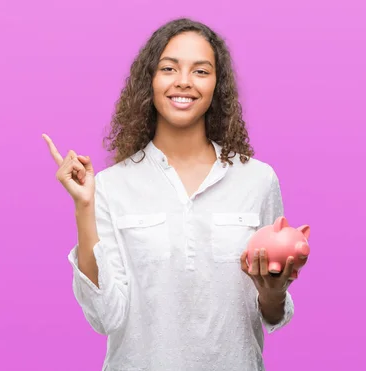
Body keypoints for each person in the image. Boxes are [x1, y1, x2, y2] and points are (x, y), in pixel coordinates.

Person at [42, 18, 308, 371]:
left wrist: (273, 292)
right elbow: (106, 316)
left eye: (200, 71)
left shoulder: (257, 180)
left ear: (217, 86)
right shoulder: (110, 185)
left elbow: (272, 314)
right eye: (169, 68)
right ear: (149, 81)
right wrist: (84, 205)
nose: (183, 81)